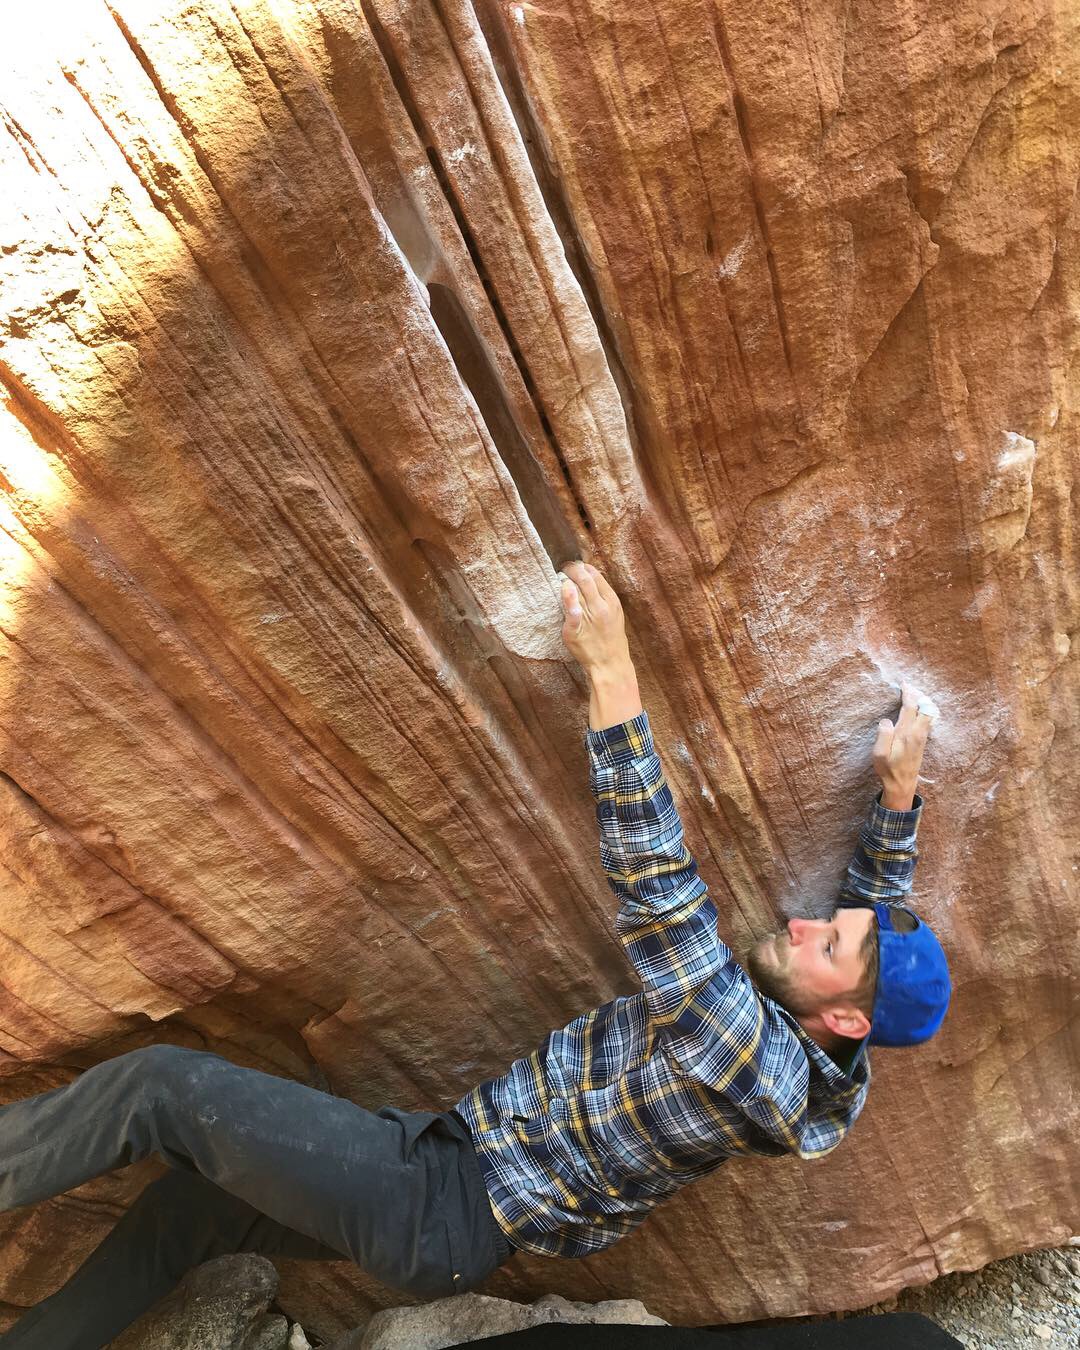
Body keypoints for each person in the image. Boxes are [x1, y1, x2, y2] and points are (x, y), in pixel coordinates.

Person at [0, 561, 950, 1348]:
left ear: (843, 1016)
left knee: (163, 1088)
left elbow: (660, 894)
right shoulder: (830, 1045)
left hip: (438, 1200)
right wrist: (898, 802)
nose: (801, 923)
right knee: (187, 1212)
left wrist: (613, 676)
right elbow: (872, 926)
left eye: (823, 939)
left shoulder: (753, 1060)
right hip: (445, 1176)